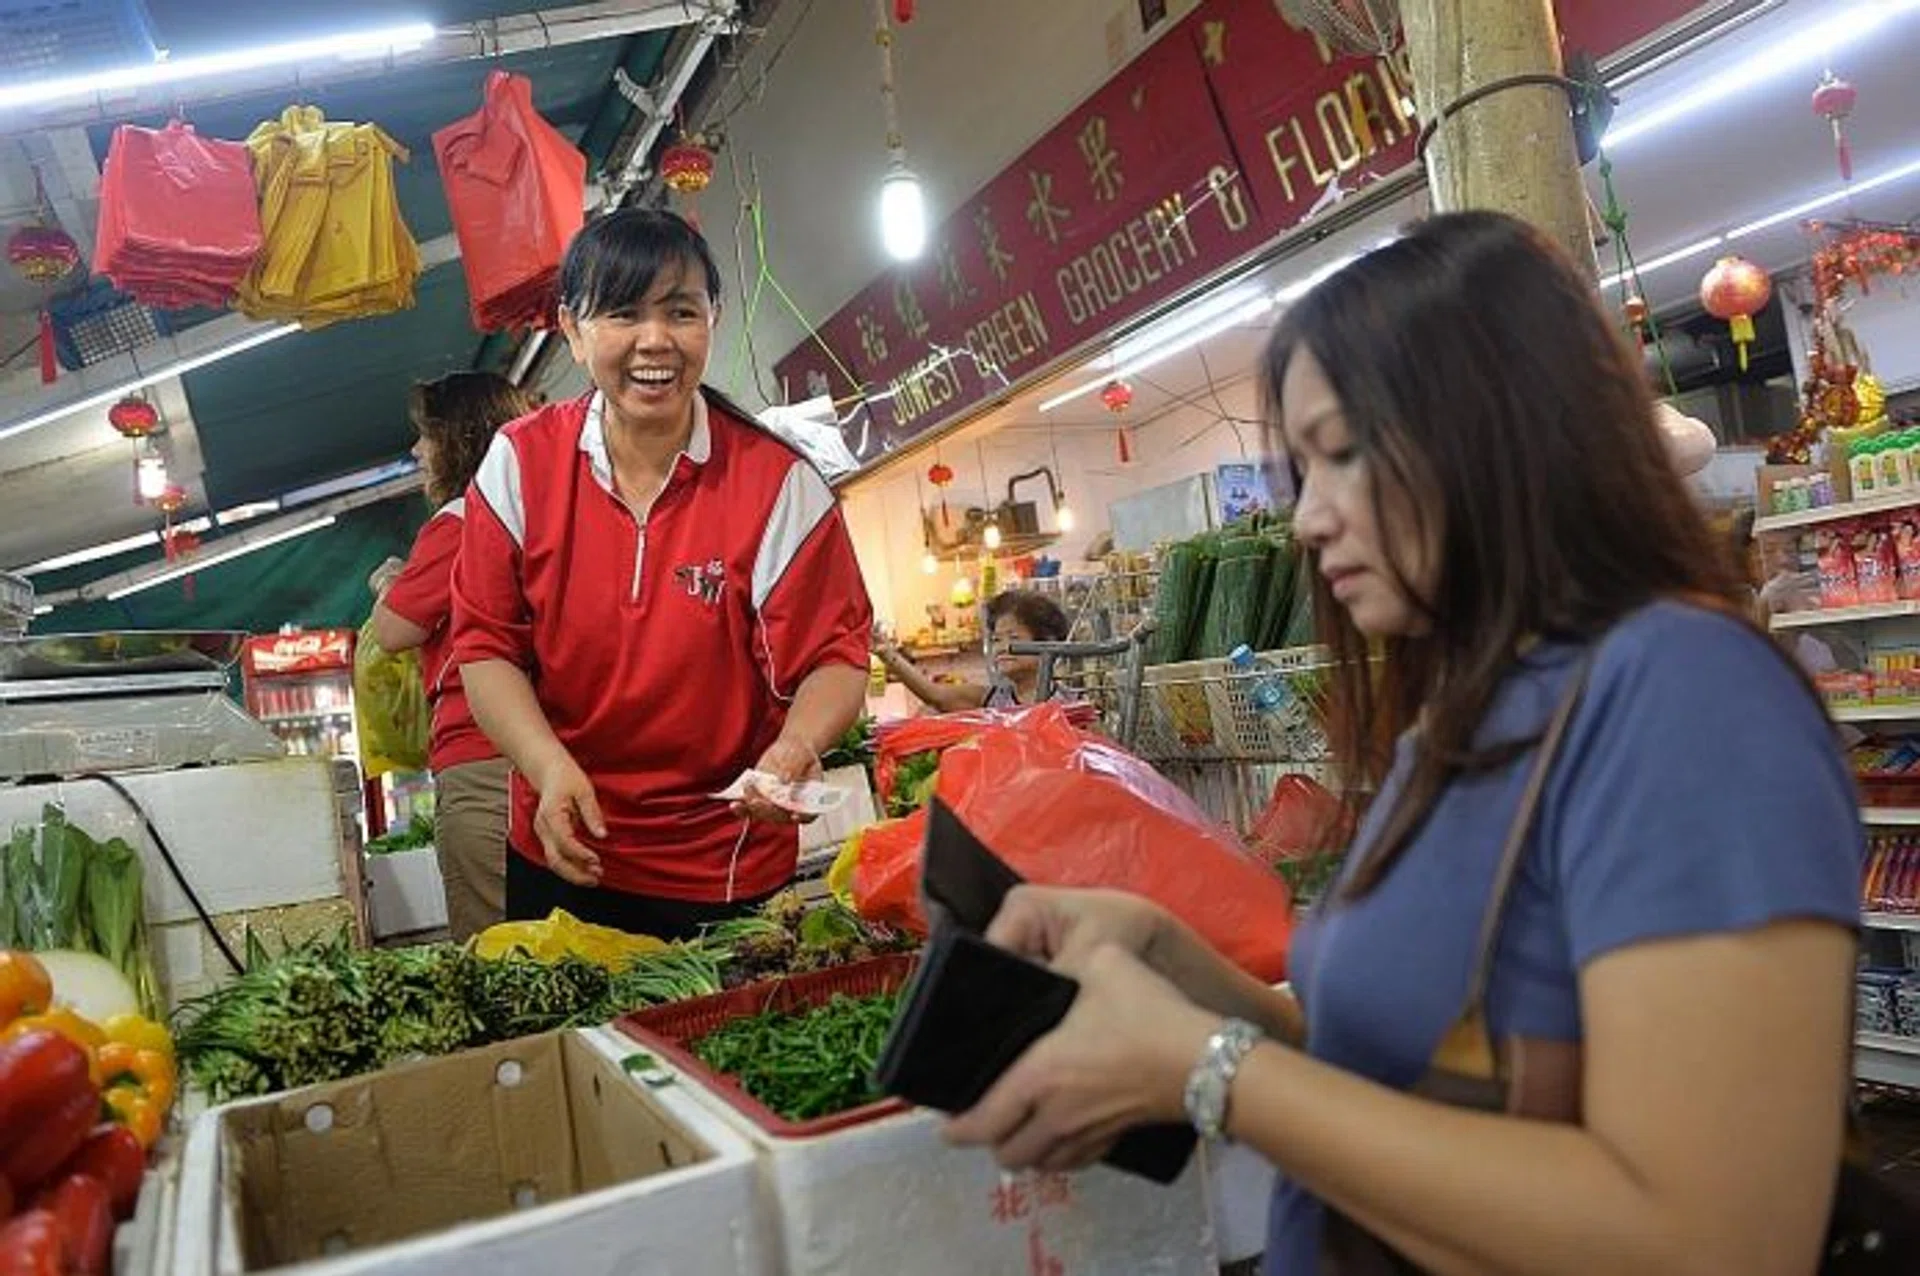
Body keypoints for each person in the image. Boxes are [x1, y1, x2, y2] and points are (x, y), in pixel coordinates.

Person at [946, 212, 1862, 1275]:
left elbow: (1715, 1238)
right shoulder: (1458, 722)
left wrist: (1207, 1066)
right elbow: (1403, 1082)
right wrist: (1180, 969)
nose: (1306, 520)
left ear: (1500, 430)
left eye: (1343, 454)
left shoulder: (1685, 695)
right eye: (1301, 470)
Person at [450, 209, 873, 941]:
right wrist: (547, 767)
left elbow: (835, 655)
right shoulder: (519, 464)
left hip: (724, 864)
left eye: (681, 312)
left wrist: (798, 746)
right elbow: (485, 647)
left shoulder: (779, 485)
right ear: (574, 332)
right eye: (623, 314)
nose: (655, 340)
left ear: (712, 319)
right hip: (563, 845)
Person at [367, 371, 532, 941]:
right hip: (555, 751)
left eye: (426, 435)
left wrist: (391, 587)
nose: (417, 451)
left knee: (500, 947)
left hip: (483, 758)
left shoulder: (464, 520)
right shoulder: (544, 514)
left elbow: (393, 632)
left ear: (460, 438)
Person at [877, 589, 1071, 712]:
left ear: (1047, 642)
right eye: (996, 640)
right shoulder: (991, 700)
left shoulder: (1072, 705)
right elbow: (934, 695)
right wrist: (887, 654)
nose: (1002, 648)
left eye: (1013, 638)